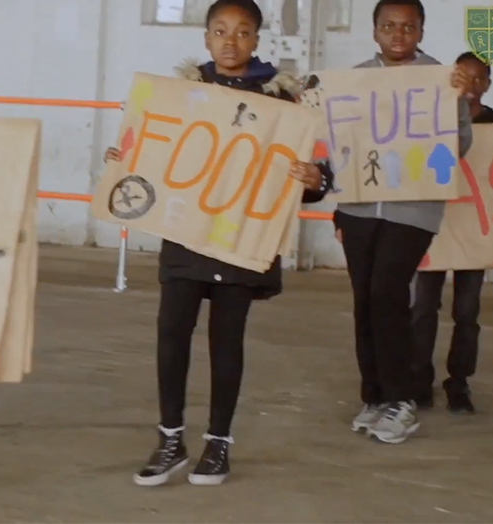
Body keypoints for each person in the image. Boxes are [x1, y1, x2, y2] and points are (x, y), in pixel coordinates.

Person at [105, 0, 334, 487]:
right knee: (172, 335)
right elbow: (152, 149)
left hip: (241, 241)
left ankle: (218, 444)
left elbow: (316, 172)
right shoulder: (182, 93)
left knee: (226, 341)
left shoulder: (283, 100)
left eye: (243, 32)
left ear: (257, 39)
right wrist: (125, 157)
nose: (231, 41)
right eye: (220, 31)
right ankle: (171, 439)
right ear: (206, 38)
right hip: (188, 236)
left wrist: (315, 178)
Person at [333, 0, 473, 444]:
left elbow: (460, 143)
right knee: (363, 299)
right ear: (375, 31)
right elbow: (338, 143)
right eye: (389, 26)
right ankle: (374, 396)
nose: (398, 35)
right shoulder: (354, 79)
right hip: (358, 207)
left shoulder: (441, 80)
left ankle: (402, 400)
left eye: (408, 27)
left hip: (413, 209)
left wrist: (452, 106)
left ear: (421, 31)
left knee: (387, 292)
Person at [411, 51, 493, 414]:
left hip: (475, 232)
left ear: (488, 85)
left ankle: (459, 381)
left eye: (479, 78)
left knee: (467, 311)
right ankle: (419, 378)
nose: (472, 84)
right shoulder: (435, 117)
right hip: (434, 225)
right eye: (465, 76)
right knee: (422, 307)